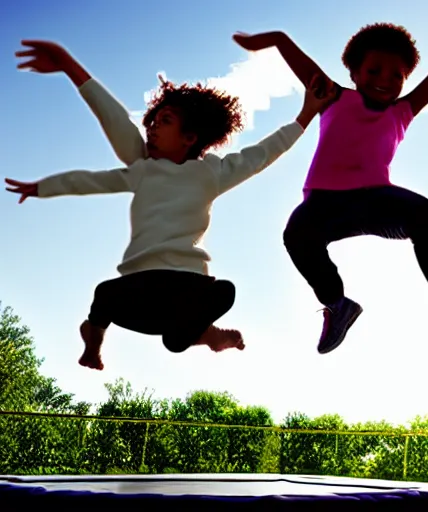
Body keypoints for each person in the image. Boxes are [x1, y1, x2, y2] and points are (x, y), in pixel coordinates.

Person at [7, 40, 337, 371]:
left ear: (190, 137)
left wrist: (307, 112)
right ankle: (93, 342)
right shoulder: (143, 169)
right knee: (104, 294)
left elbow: (264, 152)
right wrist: (68, 66)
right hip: (139, 291)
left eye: (163, 121)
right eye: (150, 122)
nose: (150, 128)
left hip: (186, 287)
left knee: (220, 295)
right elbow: (103, 146)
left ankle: (205, 334)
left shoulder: (212, 173)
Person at [233, 23, 428, 377]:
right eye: (374, 70)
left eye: (397, 75)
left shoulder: (402, 111)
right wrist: (274, 40)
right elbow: (301, 64)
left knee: (426, 215)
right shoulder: (333, 96)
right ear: (354, 73)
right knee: (296, 234)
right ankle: (338, 304)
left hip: (376, 200)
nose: (386, 80)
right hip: (325, 204)